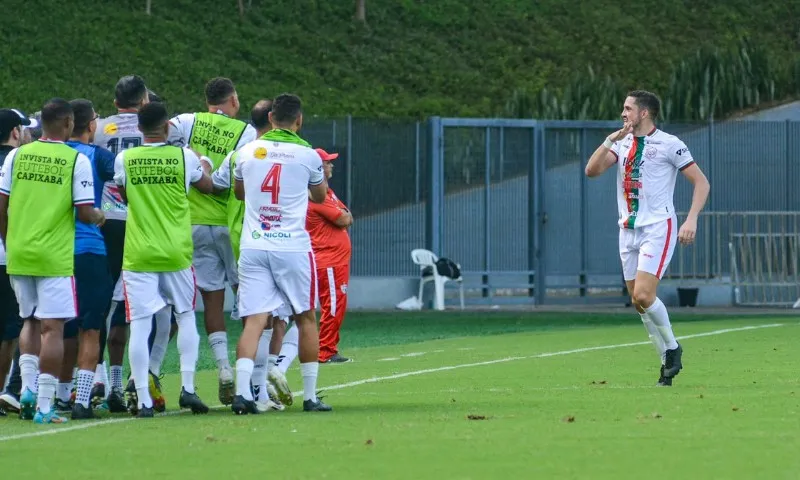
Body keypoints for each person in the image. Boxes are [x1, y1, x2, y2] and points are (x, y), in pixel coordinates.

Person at [584, 90, 710, 386]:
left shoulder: (670, 144)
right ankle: (666, 361)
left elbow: (701, 183)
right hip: (628, 229)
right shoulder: (622, 143)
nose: (623, 113)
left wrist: (691, 219)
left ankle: (673, 348)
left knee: (643, 294)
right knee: (639, 303)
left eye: (628, 108)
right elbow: (591, 171)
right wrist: (609, 140)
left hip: (658, 227)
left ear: (644, 113)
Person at [0, 98, 104, 424]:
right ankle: (45, 405)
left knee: (28, 320)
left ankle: (27, 388)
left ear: (41, 124)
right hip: (54, 256)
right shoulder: (75, 160)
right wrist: (99, 216)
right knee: (53, 328)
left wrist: (7, 241)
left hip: (19, 252)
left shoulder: (17, 156)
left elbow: (0, 204)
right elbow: (85, 211)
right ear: (69, 124)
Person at [230, 93, 331, 414]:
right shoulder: (308, 155)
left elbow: (239, 193)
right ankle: (311, 396)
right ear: (298, 121)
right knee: (305, 318)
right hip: (292, 247)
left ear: (270, 118)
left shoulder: (245, 152)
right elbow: (319, 196)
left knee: (255, 321)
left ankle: (242, 393)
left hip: (255, 244)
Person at [113, 102, 212, 418]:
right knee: (184, 317)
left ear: (140, 128)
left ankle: (143, 399)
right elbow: (205, 185)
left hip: (139, 254)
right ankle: (188, 388)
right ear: (167, 126)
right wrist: (205, 161)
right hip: (176, 252)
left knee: (140, 325)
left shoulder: (125, 159)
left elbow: (125, 194)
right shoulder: (184, 157)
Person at [168, 77, 257, 406]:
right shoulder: (245, 132)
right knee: (248, 299)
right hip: (229, 223)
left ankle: (222, 368)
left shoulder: (187, 121)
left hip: (193, 222)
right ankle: (252, 376)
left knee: (212, 300)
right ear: (232, 100)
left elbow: (158, 130)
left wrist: (185, 153)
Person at [95, 75, 170, 413]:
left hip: (106, 220)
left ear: (115, 103)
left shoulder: (100, 128)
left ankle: (101, 377)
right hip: (143, 222)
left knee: (103, 302)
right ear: (144, 102)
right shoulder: (151, 127)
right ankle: (140, 378)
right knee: (143, 304)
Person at [211, 99, 288, 412]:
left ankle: (255, 388)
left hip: (240, 242)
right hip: (268, 240)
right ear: (272, 121)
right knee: (266, 319)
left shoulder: (235, 156)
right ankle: (257, 389)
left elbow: (214, 185)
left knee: (258, 318)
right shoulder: (281, 155)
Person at [62, 99, 115, 419]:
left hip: (56, 251)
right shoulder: (98, 156)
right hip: (90, 250)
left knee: (61, 328)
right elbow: (125, 179)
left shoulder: (51, 155)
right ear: (91, 125)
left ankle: (57, 395)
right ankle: (82, 399)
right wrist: (103, 215)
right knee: (91, 327)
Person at [0, 109, 35, 416]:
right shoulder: (18, 163)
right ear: (15, 132)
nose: (28, 135)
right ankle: (8, 390)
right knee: (15, 327)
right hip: (9, 255)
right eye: (25, 129)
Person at [307, 148, 353, 364]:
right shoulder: (318, 195)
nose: (331, 165)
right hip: (328, 260)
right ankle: (325, 351)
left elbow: (347, 213)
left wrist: (345, 215)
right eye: (327, 162)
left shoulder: (327, 191)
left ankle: (328, 349)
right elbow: (344, 219)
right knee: (332, 305)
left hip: (337, 260)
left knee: (336, 304)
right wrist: (345, 216)